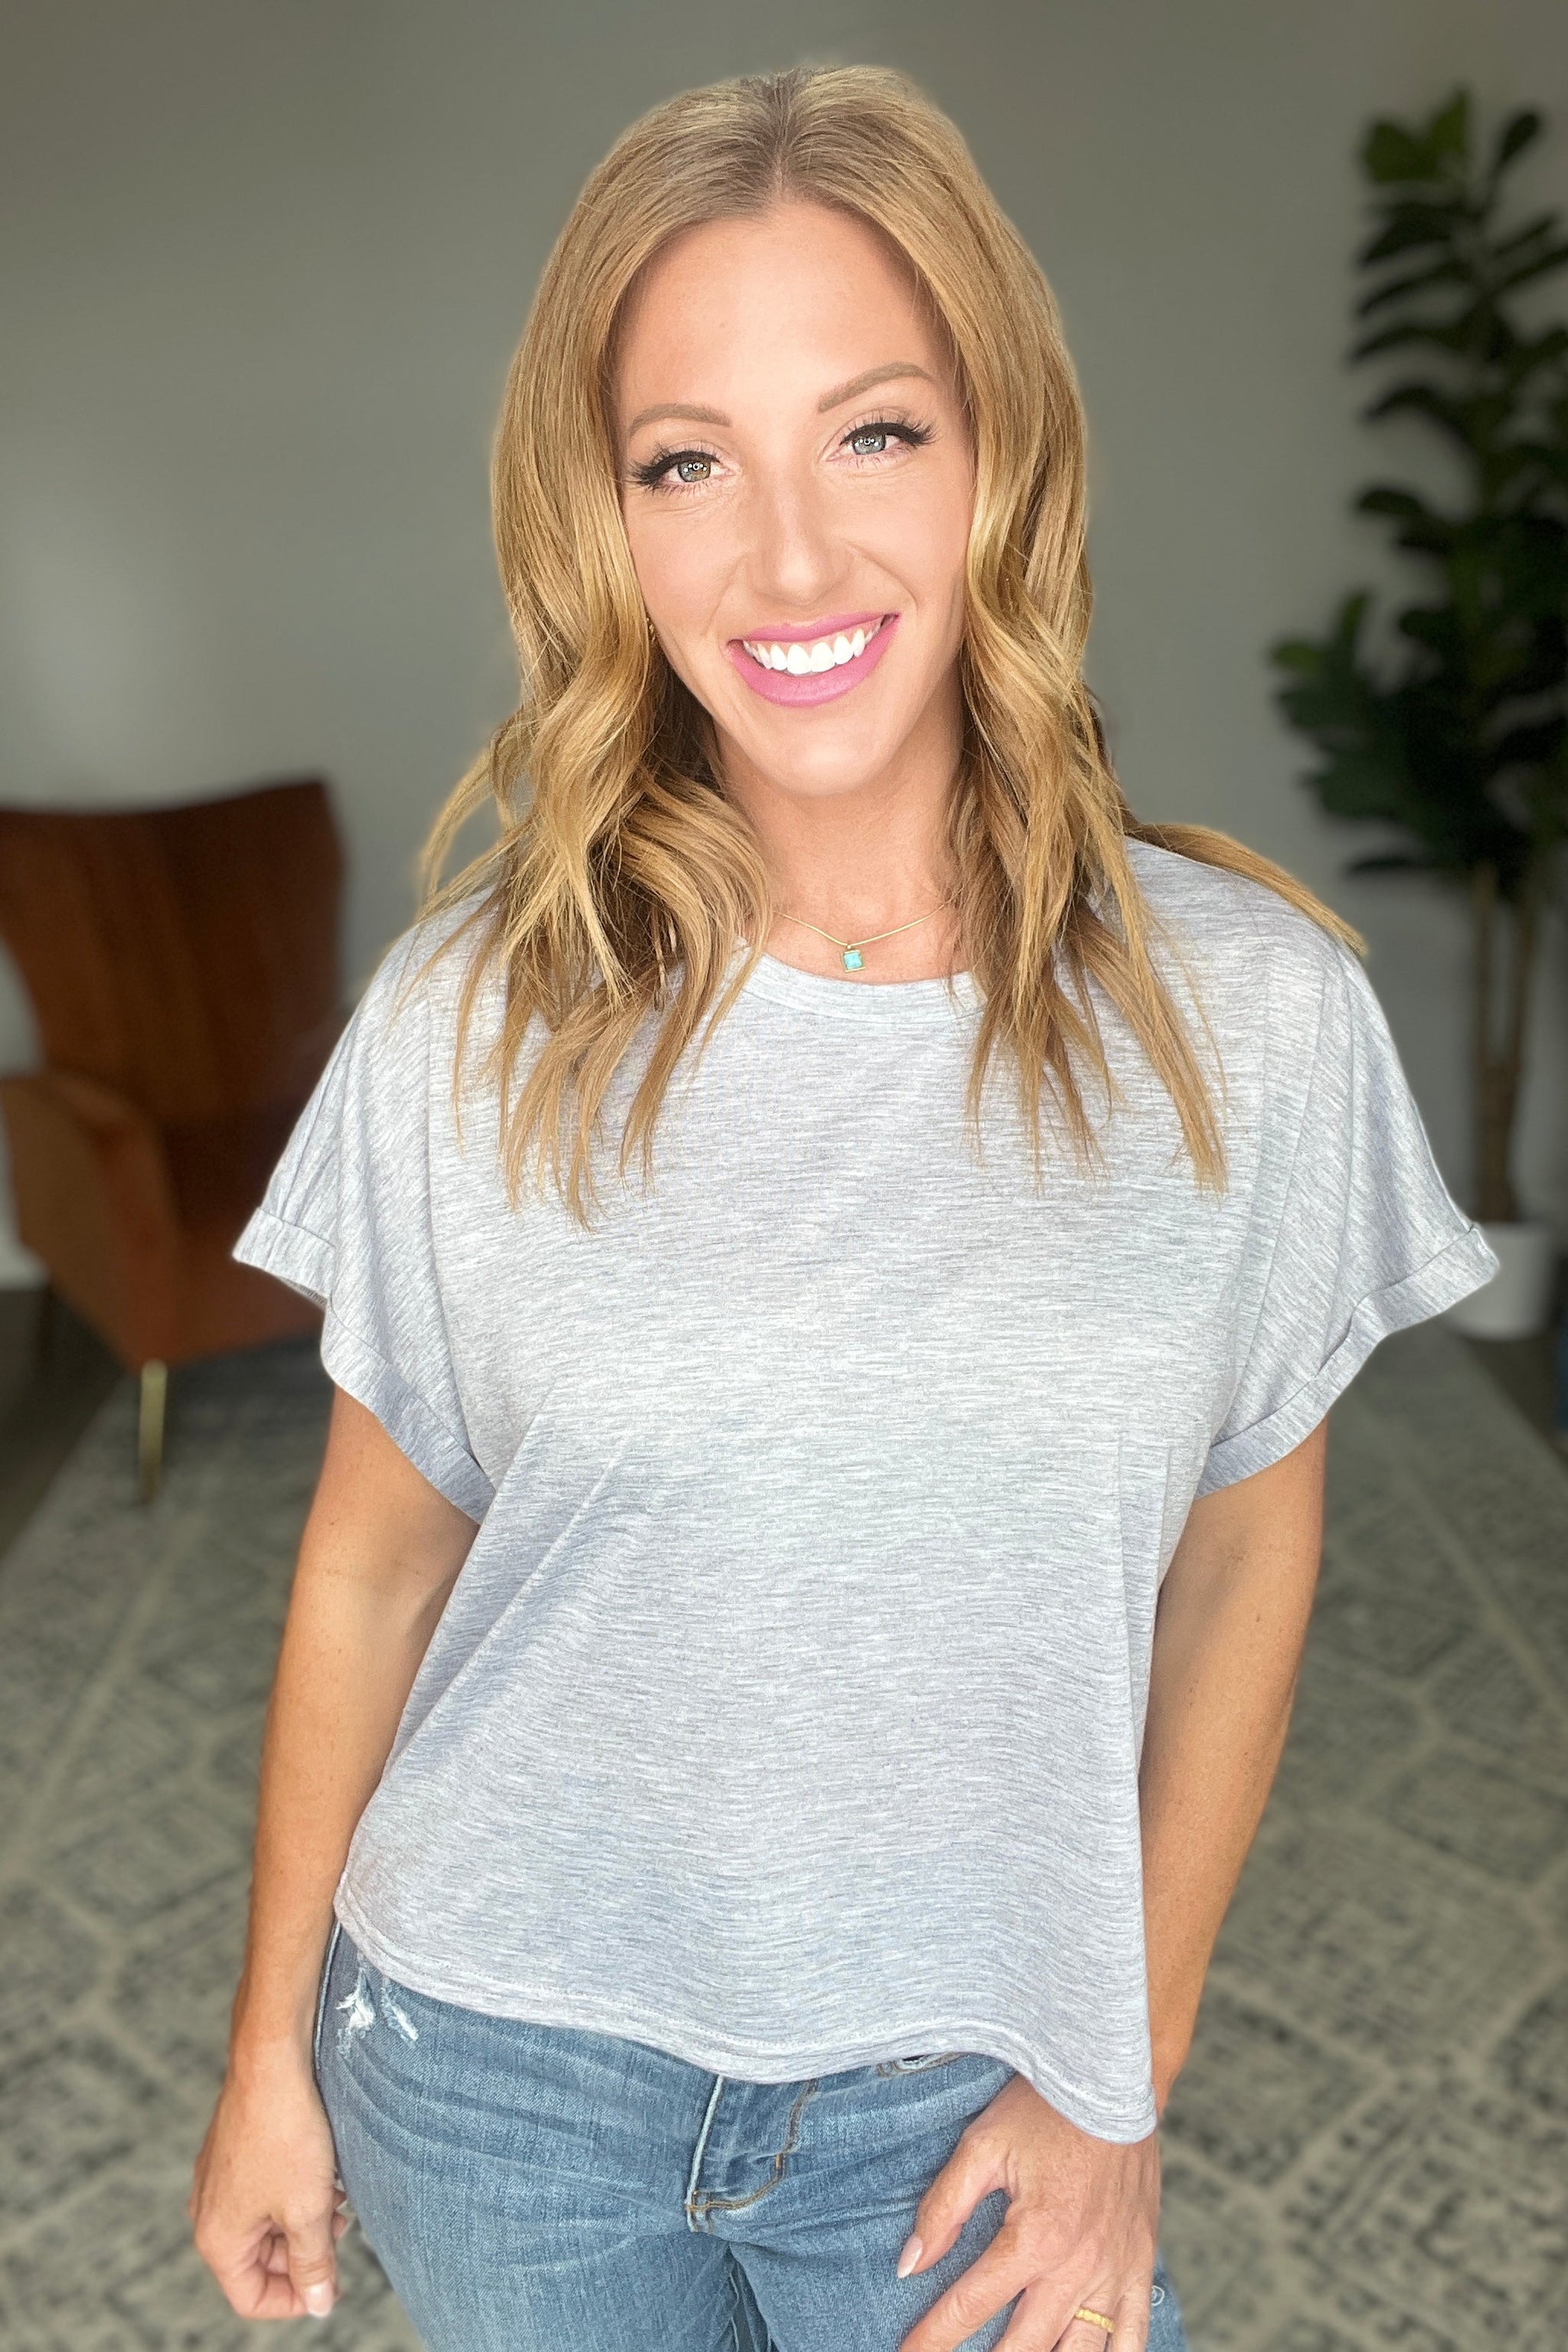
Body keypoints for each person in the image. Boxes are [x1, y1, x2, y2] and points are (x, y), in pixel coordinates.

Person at [189, 63, 1499, 2352]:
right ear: (606, 525)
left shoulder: (1248, 1019)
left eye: (874, 432)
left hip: (972, 2093)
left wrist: (1121, 2071)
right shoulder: (474, 1019)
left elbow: (1243, 1559)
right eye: (686, 462)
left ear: (1004, 461)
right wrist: (263, 2066)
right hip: (492, 2075)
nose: (789, 562)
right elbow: (376, 1563)